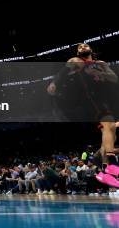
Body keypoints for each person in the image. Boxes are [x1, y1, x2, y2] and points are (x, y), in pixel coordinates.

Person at [47, 43, 119, 188]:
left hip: (105, 100)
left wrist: (101, 74)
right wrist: (54, 83)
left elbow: (114, 78)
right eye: (79, 47)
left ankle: (102, 162)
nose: (82, 47)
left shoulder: (101, 64)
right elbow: (61, 74)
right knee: (108, 126)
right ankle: (110, 165)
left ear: (91, 49)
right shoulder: (76, 61)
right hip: (90, 103)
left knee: (111, 134)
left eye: (84, 45)